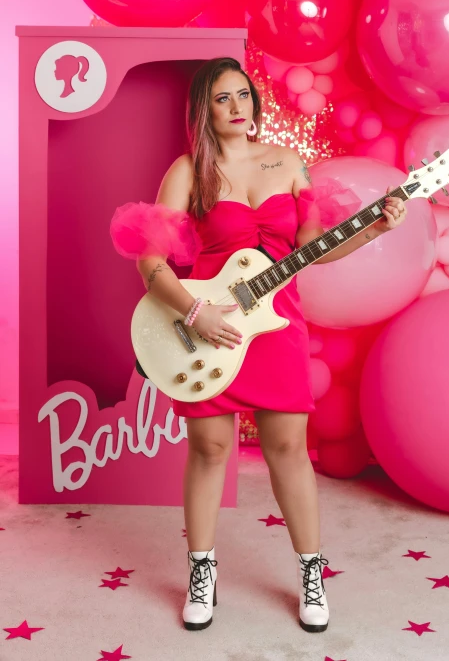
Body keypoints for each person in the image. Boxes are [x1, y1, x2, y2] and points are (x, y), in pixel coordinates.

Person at [110, 56, 407, 633]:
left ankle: (311, 572)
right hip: (207, 327)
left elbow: (313, 248)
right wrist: (195, 313)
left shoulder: (288, 162)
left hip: (276, 325)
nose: (236, 106)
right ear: (204, 108)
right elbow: (150, 262)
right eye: (221, 98)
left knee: (289, 452)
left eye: (242, 94)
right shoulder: (187, 171)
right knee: (210, 451)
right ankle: (202, 570)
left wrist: (374, 228)